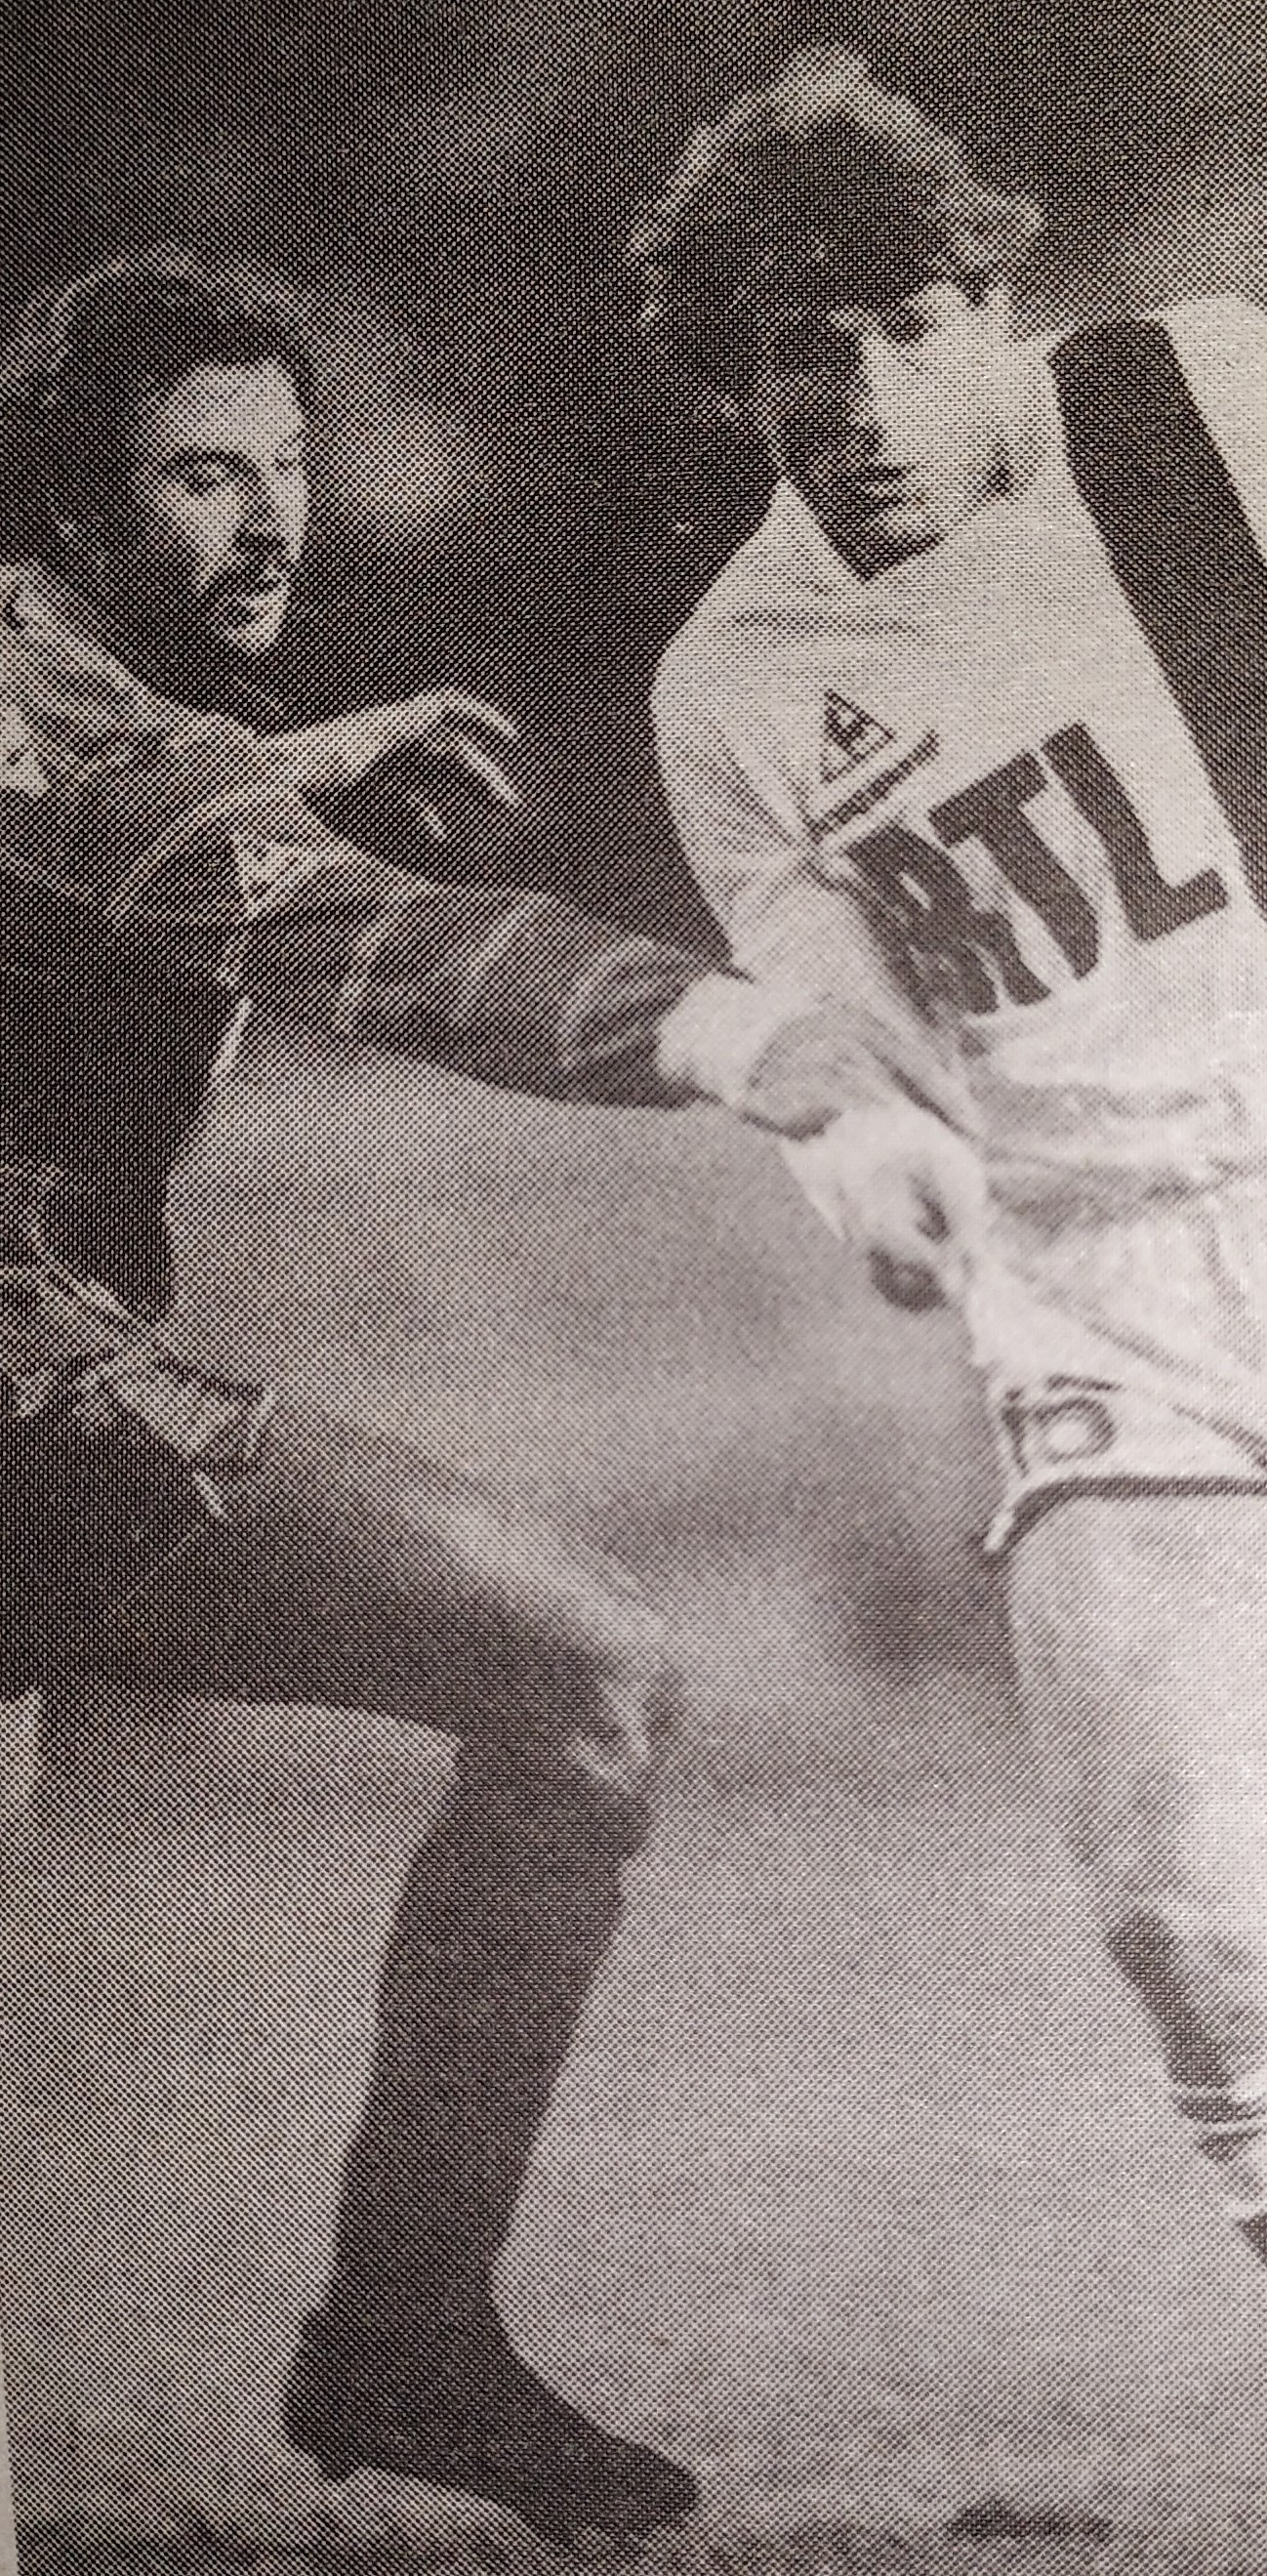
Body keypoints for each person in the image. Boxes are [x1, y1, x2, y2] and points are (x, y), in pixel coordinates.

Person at [634, 46, 1267, 2355]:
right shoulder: (737, 686)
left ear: (995, 302)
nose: (869, 401)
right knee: (1181, 1909)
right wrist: (863, 1159)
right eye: (805, 351)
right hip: (1108, 1278)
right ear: (736, 378)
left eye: (913, 327)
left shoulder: (1212, 412)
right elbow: (830, 1020)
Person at [0, 245, 960, 2550]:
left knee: (575, 1677)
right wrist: (746, 1034)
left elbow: (122, 824)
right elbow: (393, 948)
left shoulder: (76, 700)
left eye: (287, 465)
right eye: (199, 475)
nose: (270, 521)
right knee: (582, 1664)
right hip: (29, 1399)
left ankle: (410, 2332)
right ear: (74, 508)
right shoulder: (73, 738)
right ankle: (406, 2326)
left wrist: (295, 759)